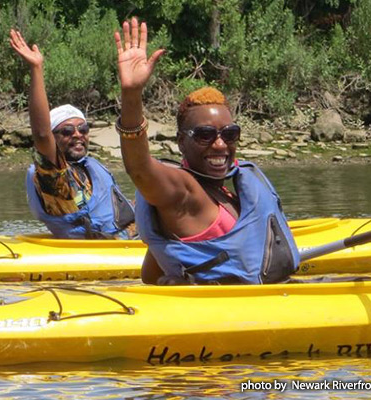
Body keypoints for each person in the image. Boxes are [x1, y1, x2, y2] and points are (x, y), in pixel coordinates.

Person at [112, 18, 300, 284]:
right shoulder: (181, 193)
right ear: (180, 142)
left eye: (229, 134)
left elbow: (150, 275)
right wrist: (131, 94)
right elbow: (140, 169)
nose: (220, 144)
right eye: (205, 135)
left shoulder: (222, 192)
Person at [9, 29, 135, 239]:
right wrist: (36, 68)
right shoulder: (53, 176)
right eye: (67, 131)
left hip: (132, 238)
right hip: (100, 250)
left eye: (83, 129)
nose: (77, 135)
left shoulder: (88, 168)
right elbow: (41, 134)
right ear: (54, 137)